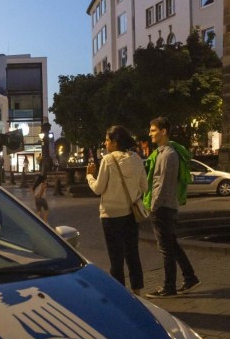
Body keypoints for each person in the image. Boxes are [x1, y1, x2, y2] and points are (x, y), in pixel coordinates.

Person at [86, 125, 147, 295]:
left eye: (107, 140)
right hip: (131, 214)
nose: (105, 143)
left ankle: (121, 295)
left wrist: (89, 176)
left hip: (111, 216)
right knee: (133, 255)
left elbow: (98, 189)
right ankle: (137, 293)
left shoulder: (108, 160)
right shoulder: (136, 158)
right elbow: (144, 186)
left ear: (115, 141)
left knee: (116, 258)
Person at [144, 117, 200, 298]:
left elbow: (162, 183)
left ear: (163, 131)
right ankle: (190, 277)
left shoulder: (168, 154)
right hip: (167, 206)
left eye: (153, 130)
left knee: (165, 249)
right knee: (172, 244)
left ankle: (169, 287)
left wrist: (153, 206)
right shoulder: (162, 152)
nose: (150, 133)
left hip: (163, 207)